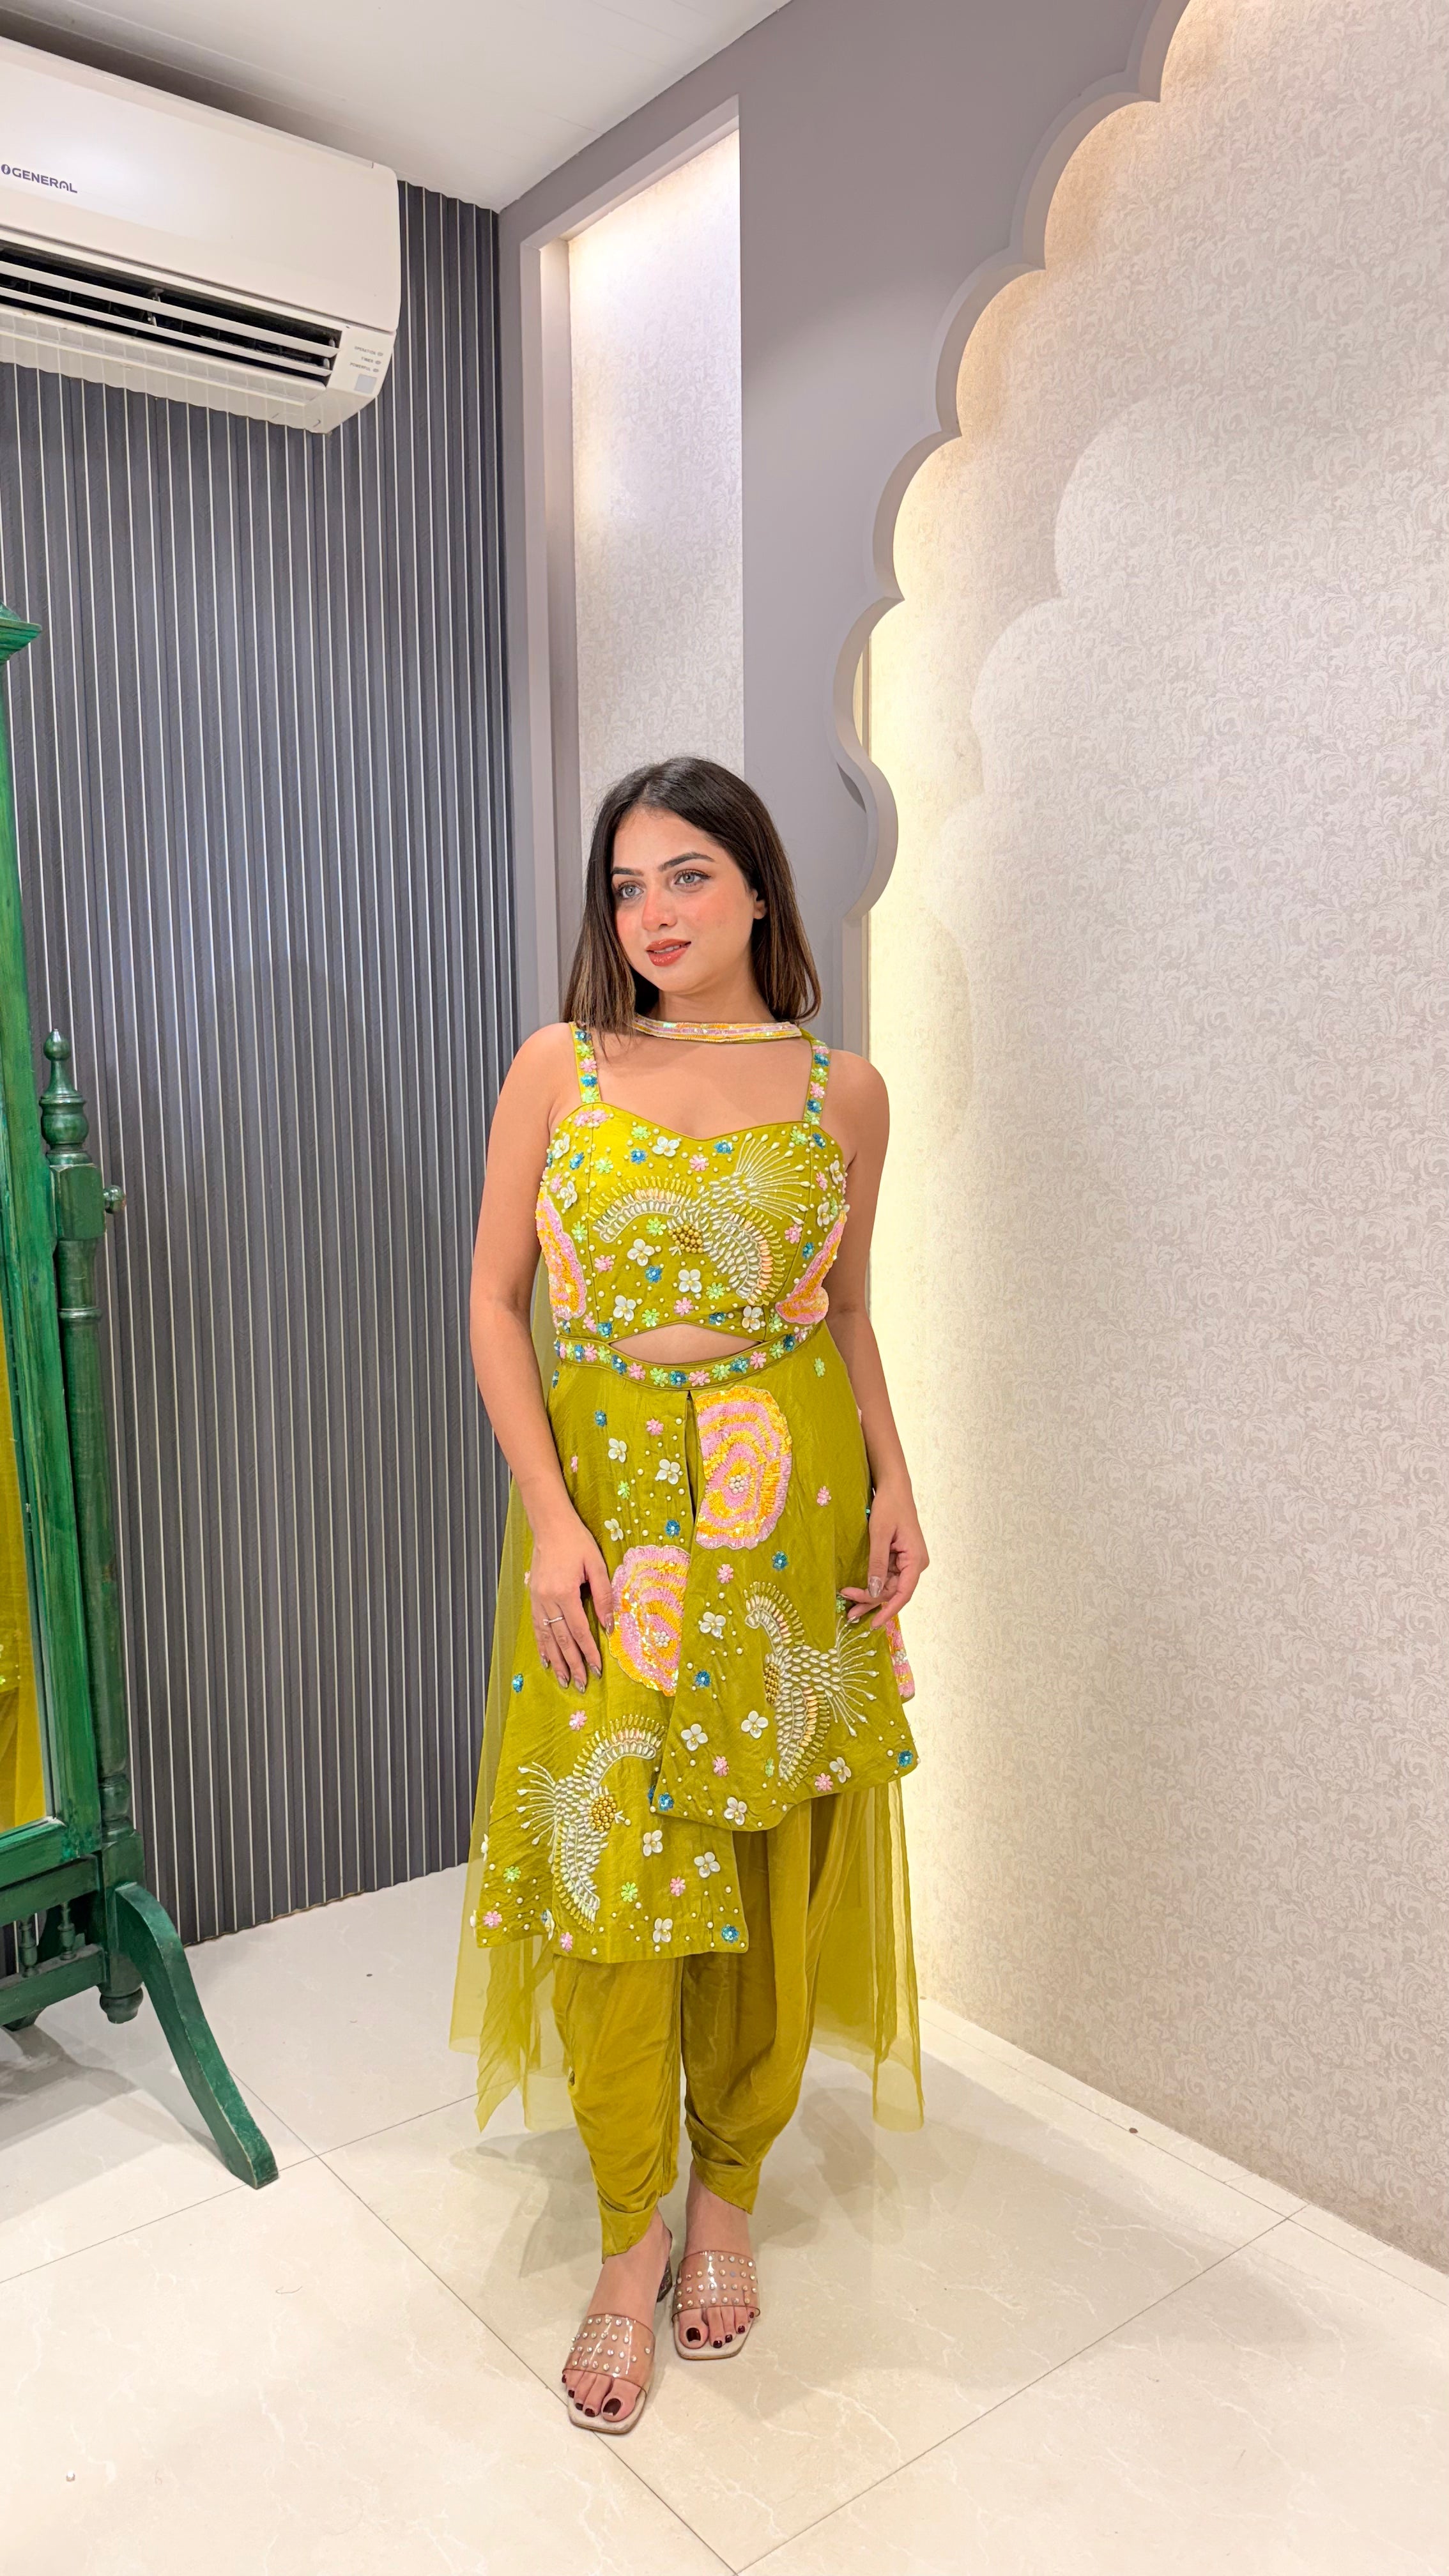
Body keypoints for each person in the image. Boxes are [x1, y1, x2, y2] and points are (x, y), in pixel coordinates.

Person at [450, 756, 927, 2434]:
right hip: (608, 1508)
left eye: (687, 877)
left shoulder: (843, 1091)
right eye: (626, 887)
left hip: (786, 1501)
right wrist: (548, 1521)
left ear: (758, 888)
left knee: (768, 1849)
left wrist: (897, 1486)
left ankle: (728, 2189)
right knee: (611, 1858)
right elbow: (493, 1301)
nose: (651, 915)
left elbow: (845, 1312)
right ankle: (626, 2228)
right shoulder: (559, 1066)